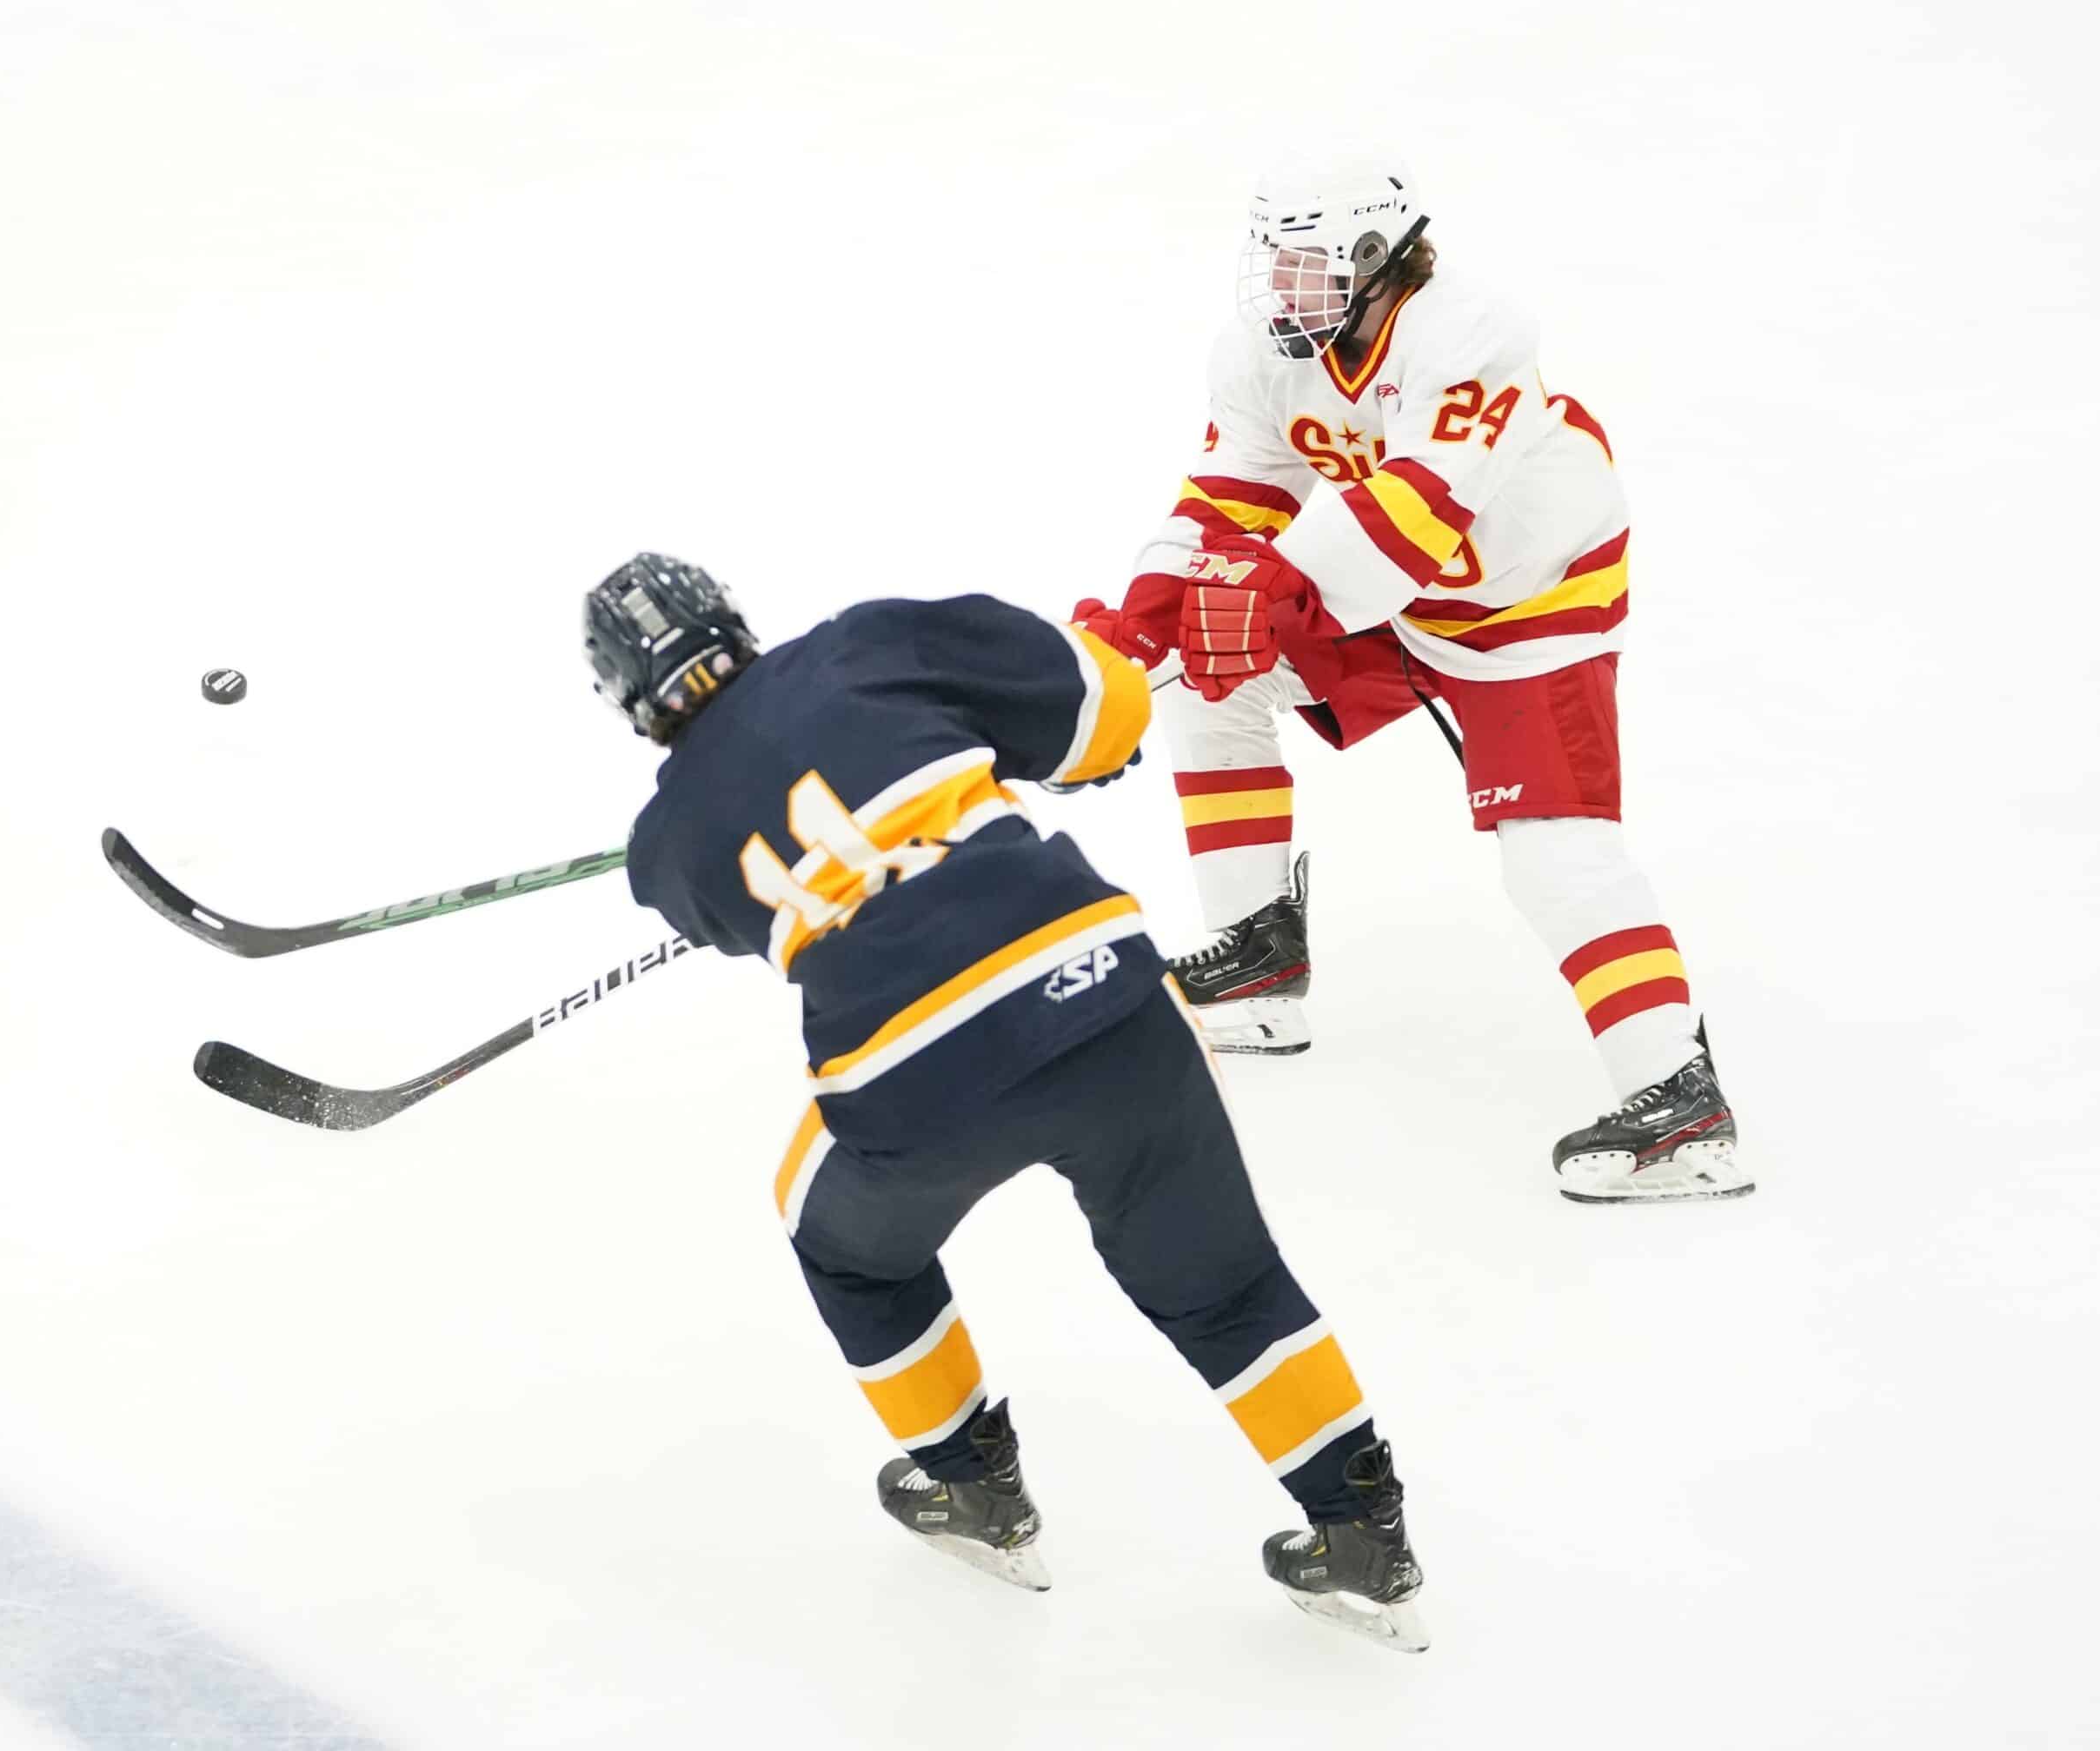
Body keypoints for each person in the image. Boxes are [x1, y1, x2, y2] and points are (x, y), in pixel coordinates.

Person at [588, 552, 1428, 1648]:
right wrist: (1057, 747)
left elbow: (725, 910)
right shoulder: (870, 643)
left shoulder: (665, 847)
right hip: (1102, 991)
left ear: (629, 701)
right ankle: (1362, 1531)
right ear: (732, 619)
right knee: (1222, 1282)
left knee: (840, 1241)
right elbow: (1107, 711)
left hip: (911, 1076)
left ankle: (969, 1483)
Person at [1074, 156, 1752, 1205]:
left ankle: (1681, 1102)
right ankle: (1258, 964)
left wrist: (1267, 590)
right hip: (1387, 598)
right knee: (1206, 679)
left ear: (1372, 258)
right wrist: (1136, 625)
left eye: (1302, 264)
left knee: (1552, 854)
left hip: (1528, 606)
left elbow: (1416, 513)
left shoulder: (1473, 333)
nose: (1278, 286)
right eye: (1272, 261)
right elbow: (1222, 502)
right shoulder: (1264, 354)